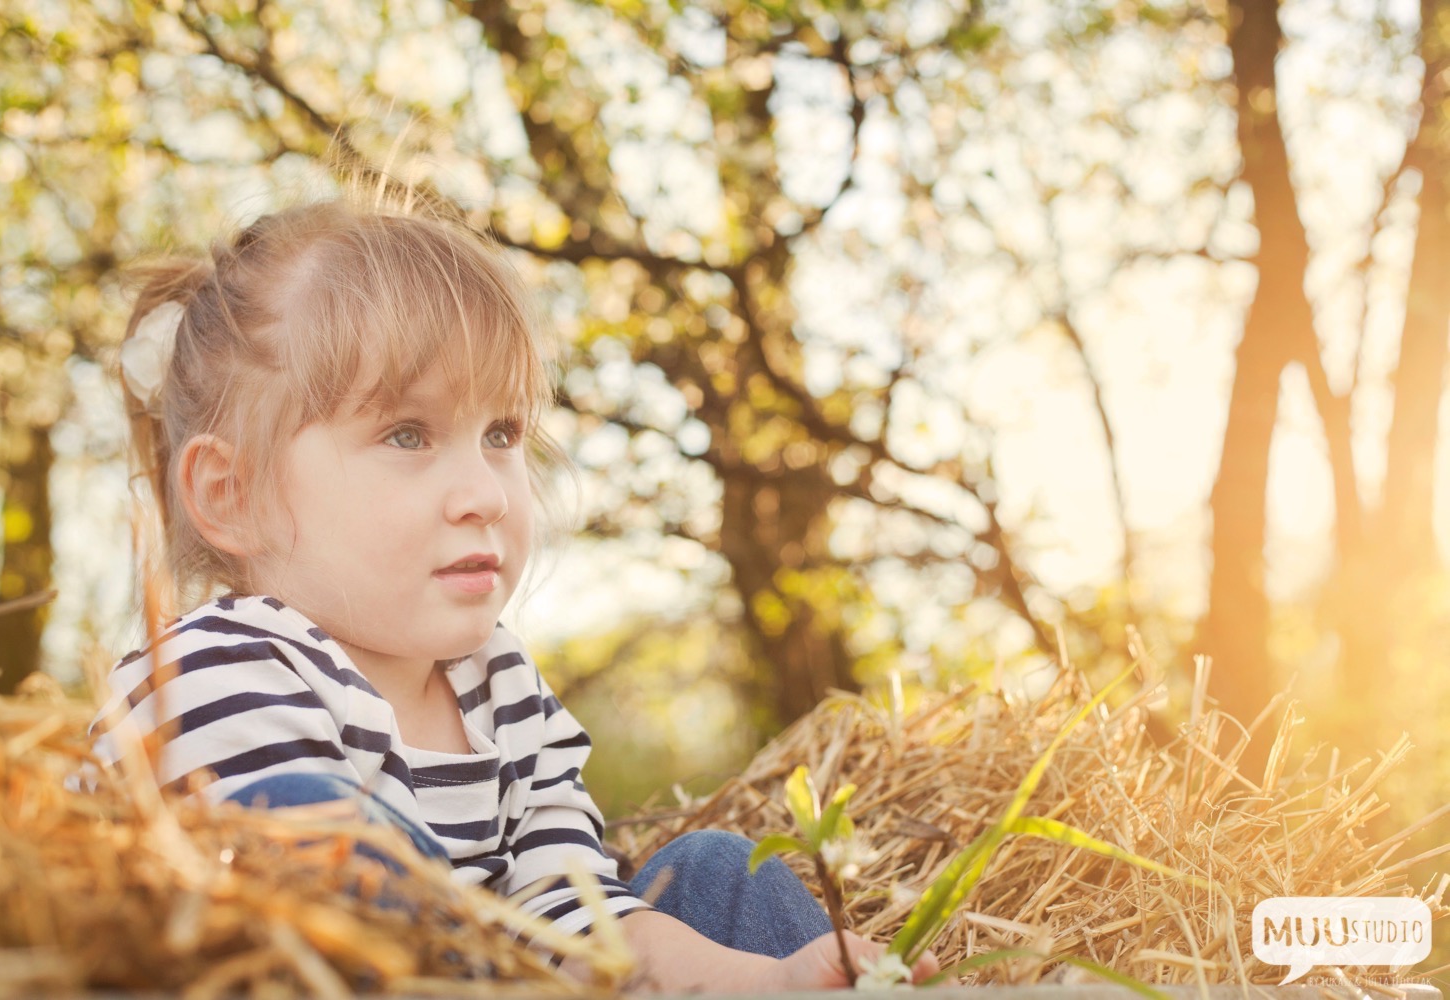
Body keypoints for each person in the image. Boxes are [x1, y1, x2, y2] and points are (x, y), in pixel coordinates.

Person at [90, 195, 937, 992]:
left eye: (502, 433)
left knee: (720, 874)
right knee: (315, 836)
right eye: (407, 434)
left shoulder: (504, 695)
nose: (488, 492)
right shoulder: (207, 672)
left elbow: (573, 933)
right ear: (233, 495)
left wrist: (769, 981)